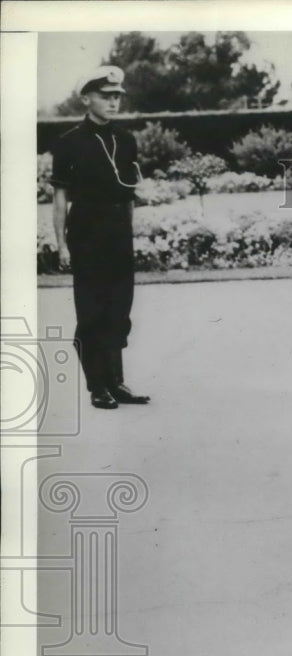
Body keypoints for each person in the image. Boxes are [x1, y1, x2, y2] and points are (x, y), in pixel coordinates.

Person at [51, 65, 150, 410]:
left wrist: (129, 235)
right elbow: (61, 197)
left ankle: (116, 382)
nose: (113, 103)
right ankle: (98, 386)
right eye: (106, 97)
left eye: (117, 97)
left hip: (118, 235)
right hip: (87, 234)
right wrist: (62, 244)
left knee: (118, 310)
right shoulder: (69, 144)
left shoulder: (126, 141)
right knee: (92, 312)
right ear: (86, 98)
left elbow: (128, 195)